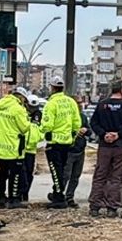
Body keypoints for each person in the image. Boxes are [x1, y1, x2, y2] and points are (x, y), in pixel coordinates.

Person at [87, 79, 122, 217]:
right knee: (117, 177)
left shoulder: (102, 105)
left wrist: (103, 134)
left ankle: (94, 206)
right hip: (121, 147)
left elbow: (93, 122)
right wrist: (119, 135)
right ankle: (112, 208)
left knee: (100, 175)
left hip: (104, 147)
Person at [39, 78, 82, 208]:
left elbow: (47, 125)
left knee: (56, 171)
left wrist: (40, 131)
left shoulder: (51, 104)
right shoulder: (71, 102)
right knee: (62, 170)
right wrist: (73, 136)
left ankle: (58, 198)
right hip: (67, 143)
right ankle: (57, 193)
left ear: (52, 88)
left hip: (54, 142)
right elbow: (77, 123)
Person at [0, 90, 30, 209]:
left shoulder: (1, 104)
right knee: (15, 175)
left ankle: (1, 198)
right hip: (15, 147)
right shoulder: (18, 109)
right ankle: (13, 199)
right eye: (24, 98)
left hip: (1, 147)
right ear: (20, 97)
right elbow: (24, 128)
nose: (24, 101)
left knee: (2, 173)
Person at [62, 108, 90, 208]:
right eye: (77, 103)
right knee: (65, 175)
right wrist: (74, 132)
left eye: (80, 103)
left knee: (76, 176)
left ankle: (69, 196)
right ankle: (59, 195)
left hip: (80, 150)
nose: (79, 106)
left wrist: (86, 130)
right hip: (69, 150)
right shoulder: (66, 116)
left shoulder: (82, 117)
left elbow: (89, 131)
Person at [21, 112, 42, 204]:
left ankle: (25, 192)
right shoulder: (22, 114)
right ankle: (20, 193)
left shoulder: (38, 115)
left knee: (29, 173)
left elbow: (41, 132)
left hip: (31, 151)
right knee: (22, 173)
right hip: (21, 150)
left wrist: (36, 138)